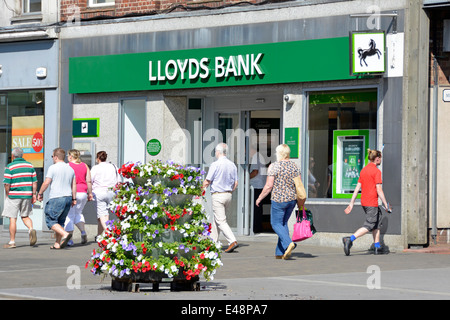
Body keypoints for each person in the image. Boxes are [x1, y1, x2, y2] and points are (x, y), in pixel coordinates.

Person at [343, 149, 392, 256]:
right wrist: (385, 204)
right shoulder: (376, 171)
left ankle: (377, 246)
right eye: (380, 158)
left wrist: (351, 203)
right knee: (369, 225)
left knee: (377, 222)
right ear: (377, 159)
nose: (381, 160)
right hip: (371, 202)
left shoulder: (364, 170)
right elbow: (379, 189)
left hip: (364, 202)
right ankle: (349, 239)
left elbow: (357, 188)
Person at [256, 144, 300, 259]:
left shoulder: (274, 166)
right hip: (291, 200)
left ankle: (288, 243)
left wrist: (260, 198)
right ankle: (280, 253)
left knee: (275, 224)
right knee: (283, 223)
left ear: (279, 153)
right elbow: (299, 184)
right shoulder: (295, 166)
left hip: (279, 200)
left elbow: (268, 186)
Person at [202, 143, 239, 253]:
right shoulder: (232, 165)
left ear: (218, 152)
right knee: (218, 219)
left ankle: (232, 240)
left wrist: (200, 190)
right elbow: (236, 183)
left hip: (218, 195)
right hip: (228, 195)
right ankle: (213, 242)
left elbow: (208, 181)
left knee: (221, 220)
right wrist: (229, 191)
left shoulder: (215, 164)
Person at [38, 148, 76, 249]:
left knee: (51, 220)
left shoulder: (53, 168)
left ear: (55, 157)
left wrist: (40, 193)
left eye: (52, 156)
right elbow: (74, 185)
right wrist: (74, 198)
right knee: (60, 221)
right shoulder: (70, 169)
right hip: (68, 197)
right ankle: (57, 243)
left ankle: (65, 234)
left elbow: (46, 182)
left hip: (56, 197)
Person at [2, 148, 38, 248]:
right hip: (27, 195)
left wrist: (7, 194)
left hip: (14, 195)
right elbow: (34, 182)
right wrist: (33, 194)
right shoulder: (30, 165)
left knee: (12, 219)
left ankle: (12, 242)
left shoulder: (10, 167)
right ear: (22, 155)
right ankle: (31, 229)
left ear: (13, 156)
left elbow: (7, 184)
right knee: (25, 216)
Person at [64, 149, 93, 245]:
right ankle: (83, 231)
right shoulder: (84, 165)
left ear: (70, 156)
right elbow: (88, 181)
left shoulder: (68, 166)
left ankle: (70, 239)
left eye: (68, 156)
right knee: (78, 213)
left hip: (73, 193)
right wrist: (90, 193)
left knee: (69, 215)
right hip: (83, 193)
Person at [91, 151, 120, 237]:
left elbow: (90, 180)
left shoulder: (95, 168)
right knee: (104, 215)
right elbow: (119, 181)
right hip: (112, 192)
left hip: (99, 192)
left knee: (101, 214)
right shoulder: (114, 166)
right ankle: (99, 235)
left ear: (97, 158)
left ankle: (108, 232)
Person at [249, 144, 266, 233]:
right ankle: (258, 226)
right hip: (260, 185)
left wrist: (245, 178)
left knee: (255, 208)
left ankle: (256, 227)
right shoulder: (260, 156)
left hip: (256, 186)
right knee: (258, 208)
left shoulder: (256, 157)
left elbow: (255, 172)